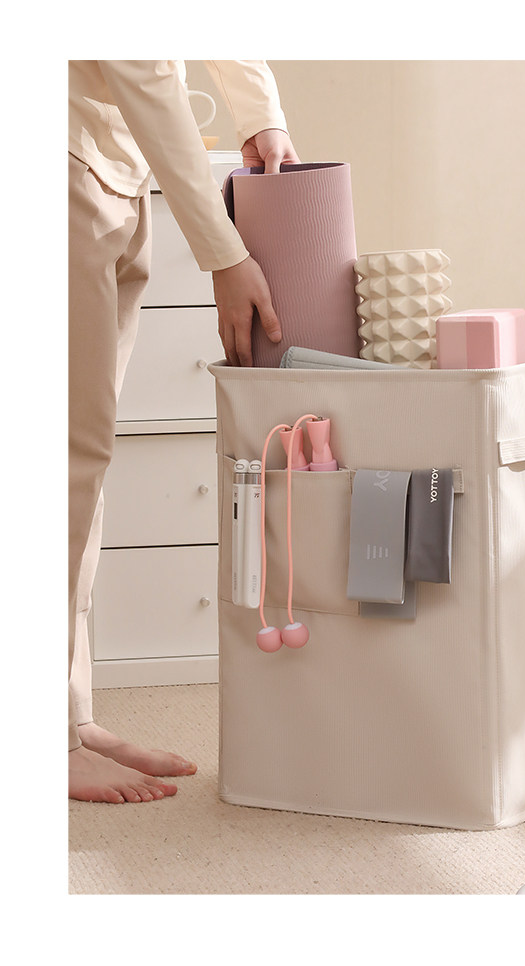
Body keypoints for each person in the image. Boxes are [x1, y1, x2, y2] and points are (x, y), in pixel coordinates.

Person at [68, 60, 300, 803]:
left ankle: (69, 713)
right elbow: (142, 69)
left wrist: (260, 114)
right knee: (58, 461)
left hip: (112, 169)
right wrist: (225, 253)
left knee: (82, 458)